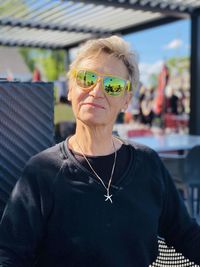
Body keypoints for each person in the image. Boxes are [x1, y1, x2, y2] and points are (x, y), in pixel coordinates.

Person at [0, 35, 200, 267]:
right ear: (71, 89)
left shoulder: (148, 163)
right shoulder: (42, 171)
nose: (96, 91)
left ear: (126, 100)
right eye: (86, 78)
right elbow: (9, 254)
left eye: (113, 85)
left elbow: (186, 234)